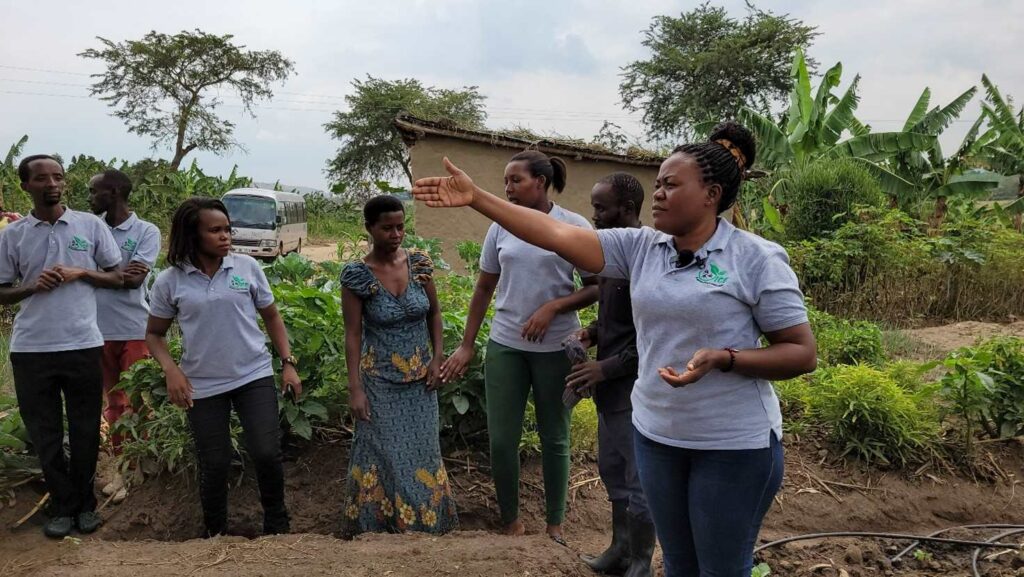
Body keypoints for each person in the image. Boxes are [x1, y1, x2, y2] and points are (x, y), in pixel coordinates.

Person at [412, 122, 817, 577]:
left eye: (670, 184)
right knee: (679, 564)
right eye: (657, 183)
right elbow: (555, 234)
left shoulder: (756, 258)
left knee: (721, 567)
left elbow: (801, 353)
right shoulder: (642, 247)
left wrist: (725, 358)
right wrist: (479, 198)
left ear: (711, 194)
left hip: (731, 444)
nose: (658, 193)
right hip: (657, 437)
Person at [438, 150, 598, 544]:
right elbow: (483, 287)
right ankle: (510, 520)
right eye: (506, 181)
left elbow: (596, 286)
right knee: (502, 439)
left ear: (540, 182)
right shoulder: (500, 227)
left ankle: (555, 525)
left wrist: (554, 307)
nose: (507, 188)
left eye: (516, 180)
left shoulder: (573, 226)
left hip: (556, 348)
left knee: (555, 436)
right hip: (506, 345)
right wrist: (467, 345)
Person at [146, 197, 300, 537]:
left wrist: (287, 363)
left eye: (227, 229)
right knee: (214, 462)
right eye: (215, 230)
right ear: (192, 235)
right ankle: (214, 533)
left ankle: (277, 524)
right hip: (202, 384)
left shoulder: (246, 268)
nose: (225, 236)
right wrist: (172, 370)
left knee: (265, 452)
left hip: (253, 374)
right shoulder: (170, 281)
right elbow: (154, 334)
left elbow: (271, 316)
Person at [0, 155, 123, 538]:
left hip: (83, 343)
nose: (52, 183)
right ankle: (61, 504)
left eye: (58, 177)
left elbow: (118, 275)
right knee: (45, 433)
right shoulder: (12, 235)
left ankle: (84, 504)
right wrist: (33, 286)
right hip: (31, 349)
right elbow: (2, 292)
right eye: (41, 178)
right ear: (26, 187)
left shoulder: (90, 226)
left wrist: (81, 272)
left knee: (86, 430)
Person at [340, 195, 457, 535]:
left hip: (421, 381)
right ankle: (376, 529)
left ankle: (427, 528)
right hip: (379, 382)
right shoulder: (357, 276)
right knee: (382, 455)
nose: (396, 234)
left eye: (401, 226)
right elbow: (352, 334)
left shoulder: (419, 263)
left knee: (423, 453)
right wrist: (355, 388)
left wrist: (437, 358)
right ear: (369, 229)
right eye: (387, 228)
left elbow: (434, 313)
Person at [570, 173, 654, 577]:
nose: (595, 216)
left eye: (602, 208)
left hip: (635, 392)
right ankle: (619, 550)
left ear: (628, 209)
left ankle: (641, 561)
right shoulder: (611, 260)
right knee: (613, 472)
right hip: (610, 392)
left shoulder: (648, 260)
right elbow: (617, 324)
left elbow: (655, 339)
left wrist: (603, 368)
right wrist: (590, 333)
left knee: (640, 484)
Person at [89, 169, 161, 471]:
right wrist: (115, 275)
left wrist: (85, 274)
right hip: (95, 329)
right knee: (114, 401)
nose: (90, 198)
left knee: (138, 401)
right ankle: (122, 463)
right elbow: (124, 276)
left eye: (95, 191)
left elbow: (134, 281)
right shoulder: (89, 228)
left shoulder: (146, 231)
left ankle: (140, 459)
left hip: (133, 328)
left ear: (115, 192)